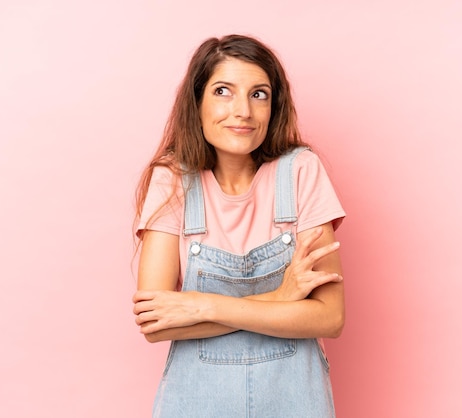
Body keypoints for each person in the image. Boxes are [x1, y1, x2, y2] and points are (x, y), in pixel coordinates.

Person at [132, 34, 346, 417]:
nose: (243, 110)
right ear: (196, 103)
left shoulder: (300, 171)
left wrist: (200, 306)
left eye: (259, 94)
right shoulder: (172, 179)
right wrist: (280, 299)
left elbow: (329, 317)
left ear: (273, 107)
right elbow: (156, 322)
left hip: (294, 401)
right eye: (223, 91)